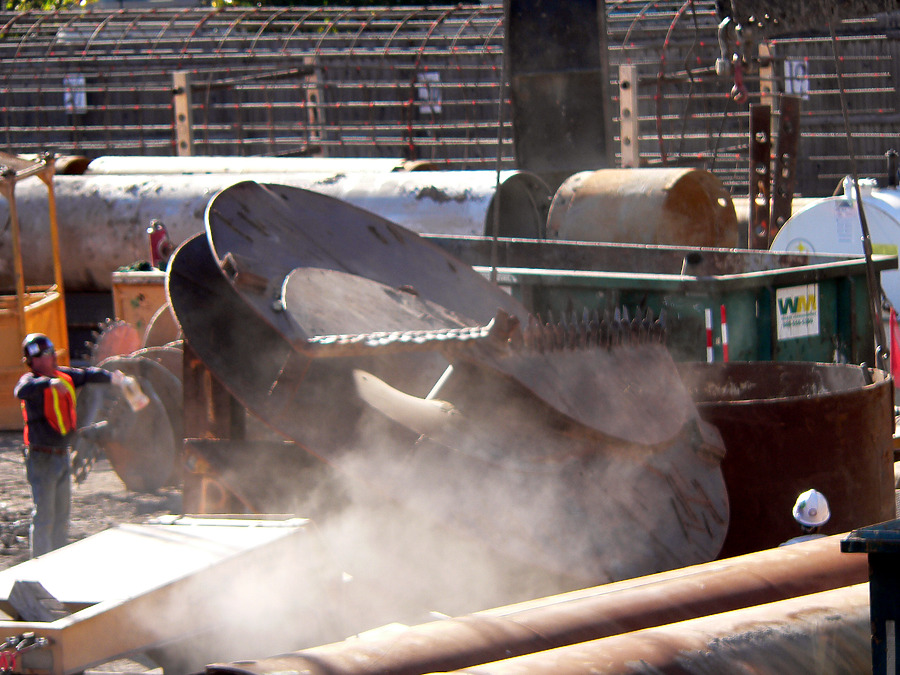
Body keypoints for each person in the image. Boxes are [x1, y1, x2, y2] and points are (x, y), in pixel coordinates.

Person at [14, 333, 128, 557]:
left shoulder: (63, 376)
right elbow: (21, 391)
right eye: (46, 355)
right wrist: (49, 383)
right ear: (33, 361)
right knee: (45, 516)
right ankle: (40, 564)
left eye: (51, 354)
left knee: (62, 517)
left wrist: (112, 378)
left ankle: (57, 561)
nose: (52, 358)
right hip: (42, 458)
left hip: (61, 455)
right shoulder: (31, 382)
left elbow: (87, 375)